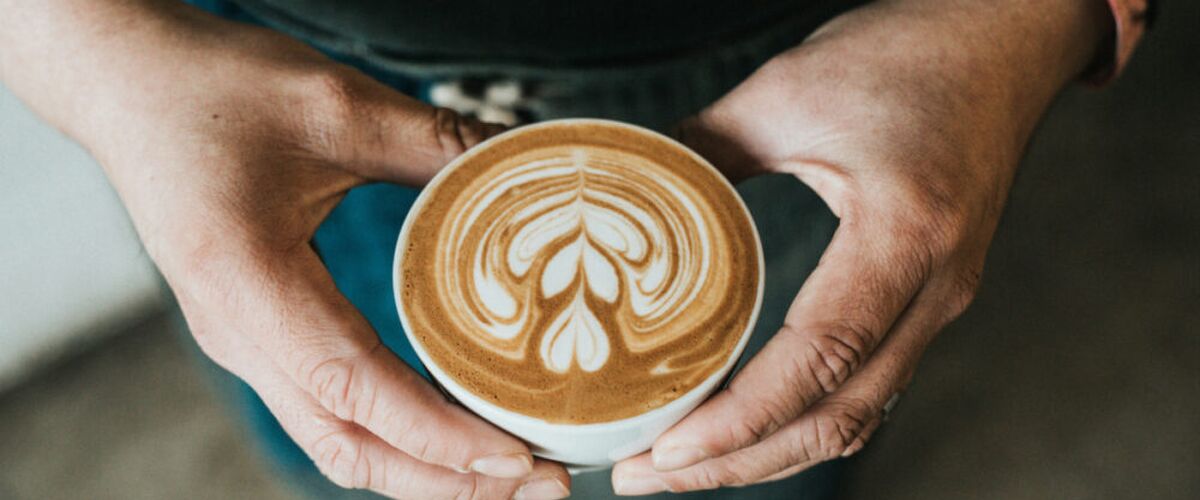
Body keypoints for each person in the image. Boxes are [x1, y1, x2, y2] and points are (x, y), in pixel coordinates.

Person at [0, 0, 1151, 498]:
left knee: (767, 451)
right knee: (361, 456)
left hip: (813, 78)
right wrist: (83, 50)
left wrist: (1015, 20)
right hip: (246, 94)